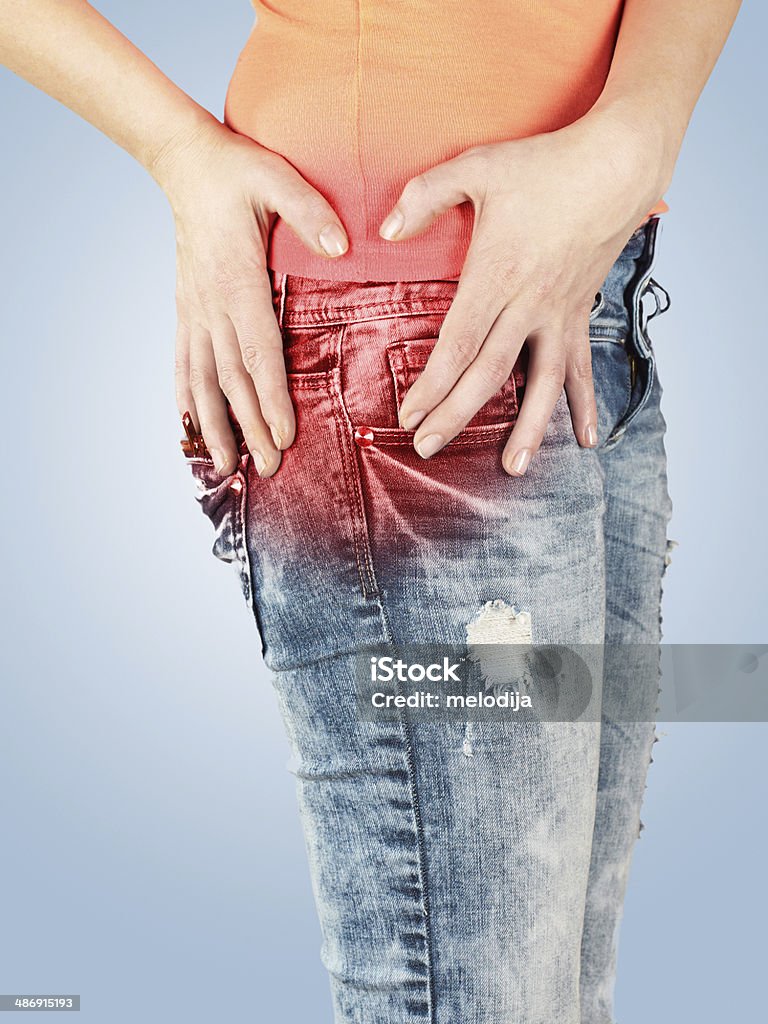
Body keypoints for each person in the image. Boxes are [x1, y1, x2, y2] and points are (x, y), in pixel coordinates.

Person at [1, 2, 742, 1021]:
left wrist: (636, 132)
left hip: (587, 300)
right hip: (407, 351)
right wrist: (179, 152)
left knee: (558, 995)